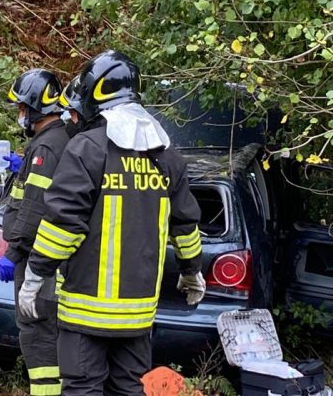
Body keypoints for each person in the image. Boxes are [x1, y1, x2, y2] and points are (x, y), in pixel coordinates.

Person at [20, 50, 207, 396]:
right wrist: (192, 270)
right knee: (129, 390)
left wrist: (35, 274)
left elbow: (63, 224)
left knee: (82, 389)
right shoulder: (166, 156)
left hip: (85, 312)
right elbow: (185, 225)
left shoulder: (87, 149)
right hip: (137, 317)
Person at [0, 69, 71, 396]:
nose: (20, 115)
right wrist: (21, 166)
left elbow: (36, 207)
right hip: (39, 254)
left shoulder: (48, 147)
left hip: (34, 257)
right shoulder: (50, 141)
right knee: (40, 327)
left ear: (36, 107)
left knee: (37, 329)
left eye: (22, 108)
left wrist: (13, 252)